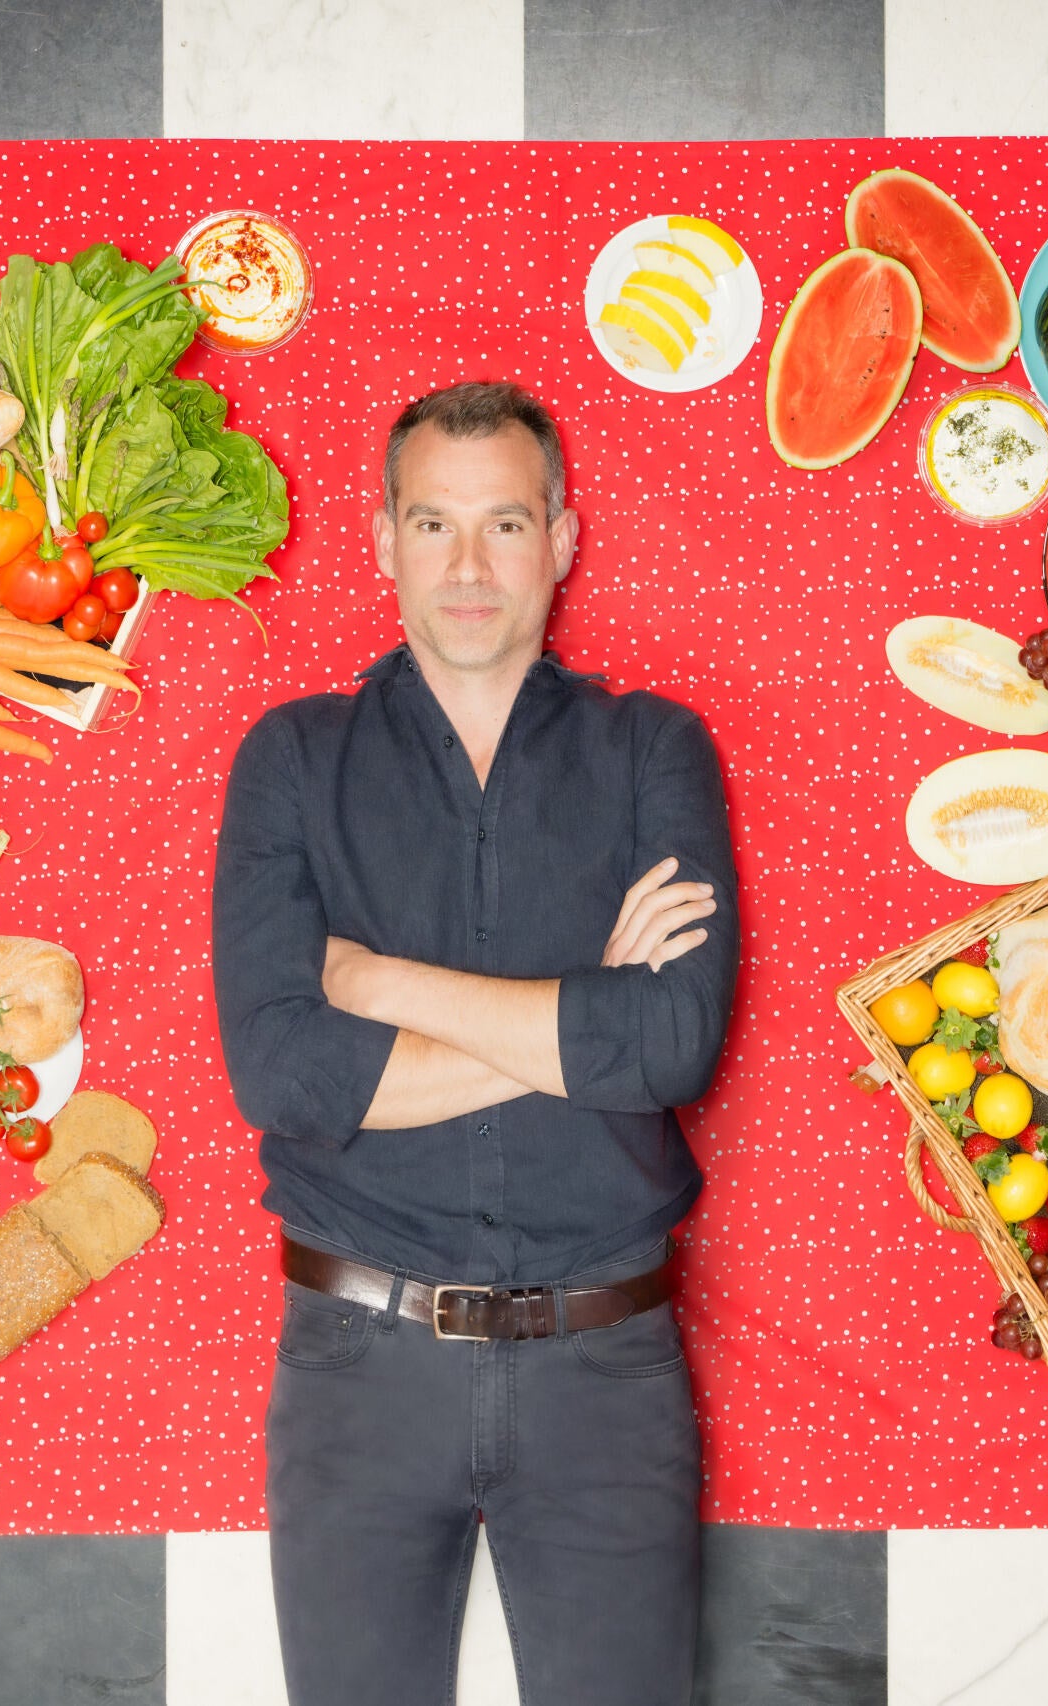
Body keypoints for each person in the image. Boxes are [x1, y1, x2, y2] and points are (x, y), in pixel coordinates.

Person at [212, 380, 740, 1706]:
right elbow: (286, 1075)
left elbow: (670, 1043)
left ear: (562, 538)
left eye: (504, 524)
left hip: (605, 1371)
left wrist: (381, 981)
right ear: (381, 538)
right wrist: (582, 1012)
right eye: (433, 524)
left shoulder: (652, 749)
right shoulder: (290, 756)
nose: (466, 565)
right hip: (357, 1367)